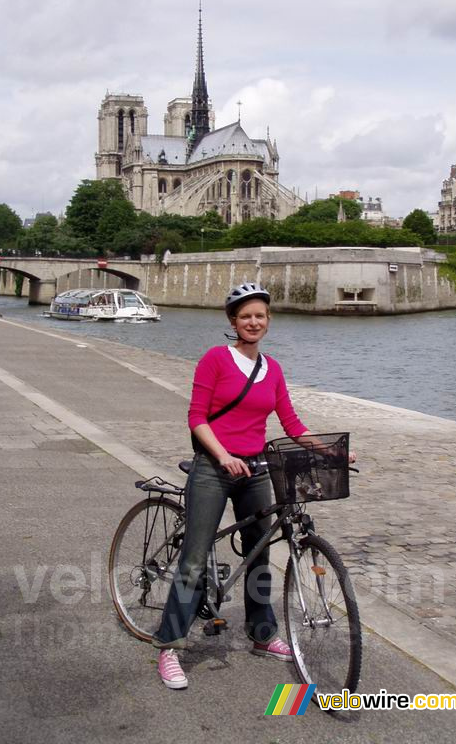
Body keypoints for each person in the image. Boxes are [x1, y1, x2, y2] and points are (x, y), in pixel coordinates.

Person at [152, 282, 355, 690]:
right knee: (194, 557)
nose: (253, 322)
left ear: (268, 321)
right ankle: (170, 646)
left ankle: (262, 634)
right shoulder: (215, 359)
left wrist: (330, 453)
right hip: (214, 467)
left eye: (259, 315)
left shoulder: (272, 369)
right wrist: (223, 454)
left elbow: (291, 424)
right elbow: (197, 417)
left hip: (257, 469)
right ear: (233, 321)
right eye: (245, 316)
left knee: (260, 552)